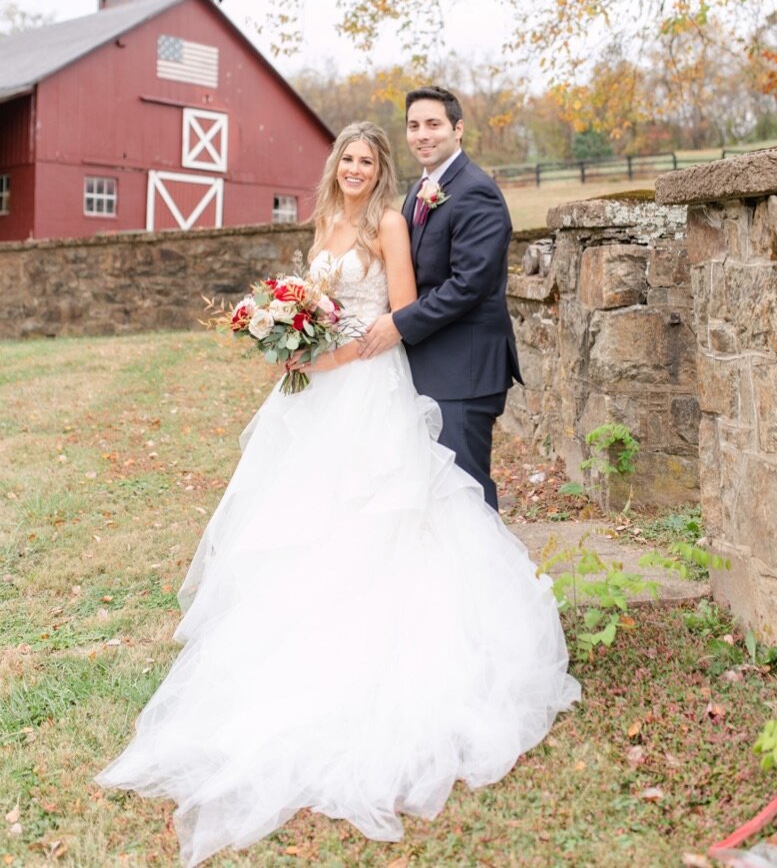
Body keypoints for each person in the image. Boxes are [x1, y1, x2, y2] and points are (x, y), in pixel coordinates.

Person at [96, 122, 580, 867]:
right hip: (313, 391)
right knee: (299, 519)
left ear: (379, 169)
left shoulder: (390, 222)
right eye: (346, 159)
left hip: (367, 383)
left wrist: (337, 359)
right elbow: (314, 302)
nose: (355, 169)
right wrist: (288, 338)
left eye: (366, 160)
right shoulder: (324, 221)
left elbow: (398, 312)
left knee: (380, 515)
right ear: (335, 167)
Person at [356, 86, 521, 512]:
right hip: (432, 362)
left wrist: (399, 322)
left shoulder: (476, 191)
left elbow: (469, 285)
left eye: (433, 124)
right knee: (435, 489)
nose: (422, 135)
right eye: (414, 126)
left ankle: (488, 577)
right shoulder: (422, 188)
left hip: (464, 369)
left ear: (457, 128)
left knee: (465, 490)